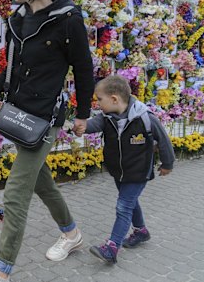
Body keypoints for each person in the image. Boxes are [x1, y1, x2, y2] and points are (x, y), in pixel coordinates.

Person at [0, 0, 94, 282]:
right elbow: (8, 69)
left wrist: (83, 113)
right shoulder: (18, 18)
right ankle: (71, 234)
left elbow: (83, 69)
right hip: (18, 113)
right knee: (40, 179)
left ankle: (1, 271)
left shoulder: (68, 19)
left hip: (46, 118)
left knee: (15, 191)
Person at [74, 75, 174, 264]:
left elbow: (164, 141)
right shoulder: (107, 117)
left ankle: (112, 248)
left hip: (138, 172)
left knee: (124, 206)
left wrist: (167, 164)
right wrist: (82, 127)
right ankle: (141, 231)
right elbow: (93, 125)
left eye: (100, 100)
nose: (98, 104)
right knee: (130, 202)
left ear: (114, 99)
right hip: (119, 171)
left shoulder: (145, 118)